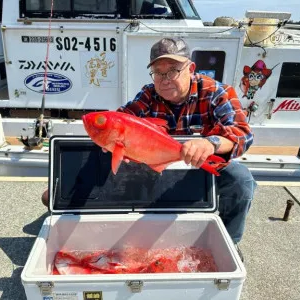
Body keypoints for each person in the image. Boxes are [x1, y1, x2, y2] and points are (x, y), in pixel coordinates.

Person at [42, 37, 257, 261]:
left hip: (198, 165)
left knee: (241, 181)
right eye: (157, 72)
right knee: (90, 172)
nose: (164, 80)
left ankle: (229, 243)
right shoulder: (148, 94)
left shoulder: (216, 92)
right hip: (157, 165)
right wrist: (113, 143)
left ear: (190, 68)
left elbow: (242, 133)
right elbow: (123, 118)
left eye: (172, 71)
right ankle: (76, 215)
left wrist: (209, 143)